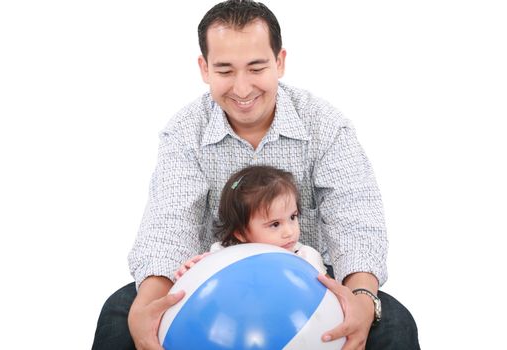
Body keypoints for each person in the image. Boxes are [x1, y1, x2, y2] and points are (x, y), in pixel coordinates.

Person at [92, 1, 420, 349]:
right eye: (225, 70)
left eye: (256, 67)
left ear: (279, 61)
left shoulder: (326, 125)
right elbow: (169, 225)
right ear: (204, 68)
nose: (243, 88)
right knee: (120, 313)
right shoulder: (185, 131)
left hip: (305, 275)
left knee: (395, 323)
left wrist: (361, 297)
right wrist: (146, 308)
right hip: (210, 278)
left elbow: (356, 222)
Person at [175, 165, 328, 281]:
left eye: (293, 217)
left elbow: (328, 299)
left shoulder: (306, 257)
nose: (289, 232)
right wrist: (190, 274)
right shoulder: (221, 256)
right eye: (275, 224)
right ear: (240, 233)